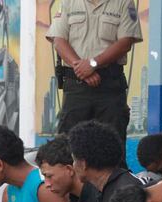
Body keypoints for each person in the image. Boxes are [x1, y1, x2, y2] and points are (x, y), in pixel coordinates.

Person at [46, 0, 143, 167]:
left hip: (109, 87)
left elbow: (125, 42)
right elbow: (58, 40)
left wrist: (92, 64)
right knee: (67, 148)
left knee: (112, 149)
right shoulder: (69, 2)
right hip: (76, 87)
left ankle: (113, 192)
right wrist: (81, 68)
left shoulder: (123, 3)